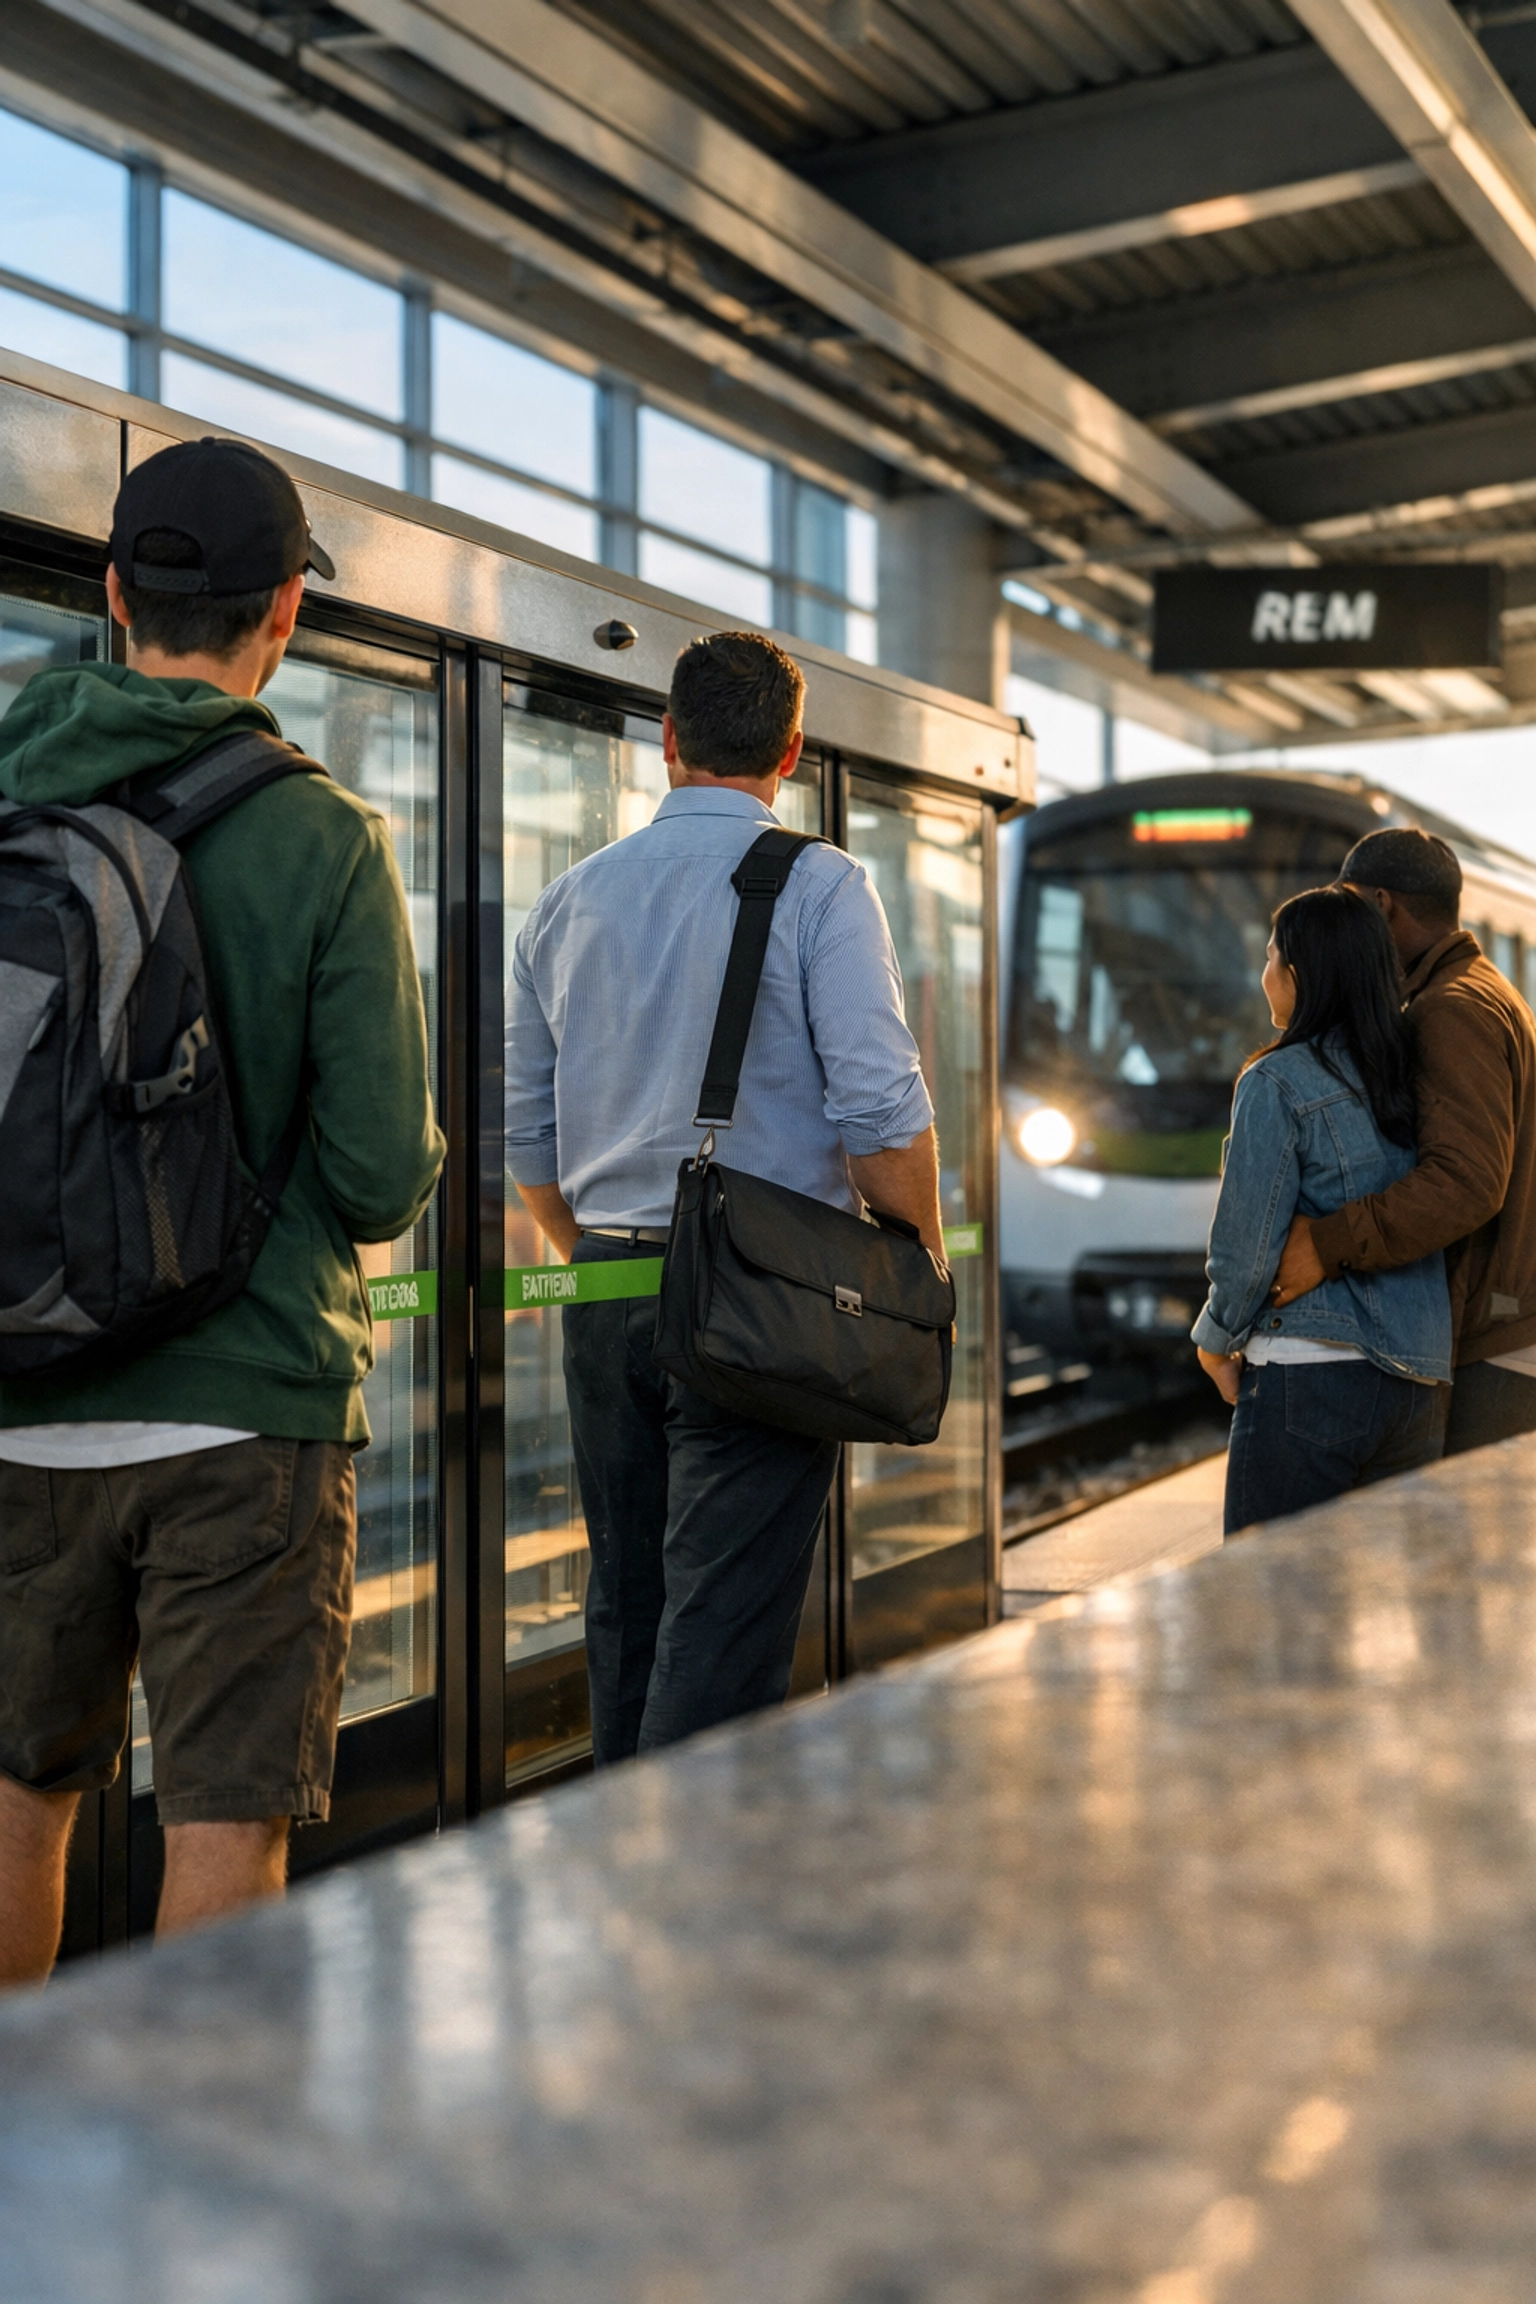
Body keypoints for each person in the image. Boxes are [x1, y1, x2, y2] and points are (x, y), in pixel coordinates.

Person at [0, 438, 444, 1986]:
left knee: (13, 1804)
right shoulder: (322, 836)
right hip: (245, 1419)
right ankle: (193, 2213)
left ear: (112, 591)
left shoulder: (3, 804)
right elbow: (386, 1172)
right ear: (292, 611)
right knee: (225, 1824)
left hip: (14, 1405)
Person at [506, 630, 942, 1764]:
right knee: (725, 1617)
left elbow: (526, 1134)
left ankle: (621, 1862)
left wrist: (600, 1249)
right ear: (789, 752)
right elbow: (883, 1116)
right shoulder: (822, 884)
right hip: (761, 1301)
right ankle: (686, 1893)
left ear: (668, 741)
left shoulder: (565, 900)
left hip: (604, 1287)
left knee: (627, 1600)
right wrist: (916, 1264)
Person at [1270, 827, 1536, 1457]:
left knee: (1467, 1553)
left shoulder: (1450, 1010)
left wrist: (1327, 1242)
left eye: (1348, 899)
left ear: (1381, 903)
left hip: (1492, 1343)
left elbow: (1466, 1181)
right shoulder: (1485, 992)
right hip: (1503, 1329)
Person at [1193, 886, 1450, 1536]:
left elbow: (1245, 1250)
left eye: (1270, 957)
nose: (1264, 975)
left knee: (1270, 1604)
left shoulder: (1276, 1082)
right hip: (1416, 1383)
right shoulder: (1413, 1075)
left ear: (1297, 975)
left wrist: (1216, 1339)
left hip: (1307, 1372)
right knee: (1381, 1610)